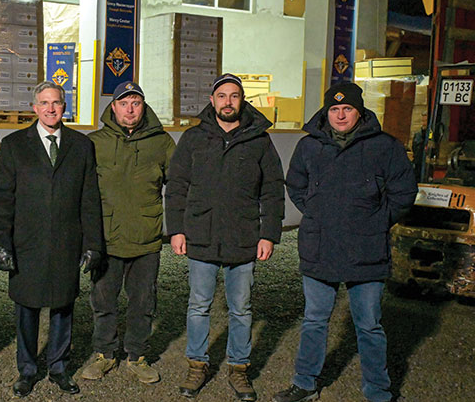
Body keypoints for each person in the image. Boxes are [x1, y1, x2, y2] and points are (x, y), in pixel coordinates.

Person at [274, 82, 417, 402]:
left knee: (368, 325)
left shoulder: (385, 147)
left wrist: (378, 220)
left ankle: (378, 390)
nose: (340, 115)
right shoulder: (309, 147)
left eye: (347, 108)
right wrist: (316, 211)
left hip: (366, 249)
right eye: (334, 109)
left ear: (360, 111)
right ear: (326, 111)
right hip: (320, 247)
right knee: (314, 321)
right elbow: (295, 184)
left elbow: (404, 190)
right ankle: (305, 382)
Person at [165, 73, 285, 401]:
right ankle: (197, 363)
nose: (228, 102)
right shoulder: (193, 139)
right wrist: (176, 228)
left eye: (234, 96)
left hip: (244, 236)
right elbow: (176, 186)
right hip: (201, 234)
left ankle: (239, 367)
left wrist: (269, 234)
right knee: (198, 305)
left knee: (241, 308)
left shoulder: (258, 140)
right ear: (212, 99)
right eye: (222, 96)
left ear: (241, 100)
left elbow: (273, 190)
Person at [0, 81, 103, 398]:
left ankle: (59, 367)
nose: (51, 109)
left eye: (57, 103)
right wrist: (0, 243)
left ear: (64, 108)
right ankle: (26, 370)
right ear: (34, 108)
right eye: (44, 103)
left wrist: (93, 243)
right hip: (27, 243)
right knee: (26, 308)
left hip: (67, 240)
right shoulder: (13, 145)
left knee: (63, 306)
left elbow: (89, 199)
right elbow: (2, 200)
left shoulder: (81, 146)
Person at [81, 81, 175, 384]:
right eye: (124, 103)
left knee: (143, 302)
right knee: (103, 301)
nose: (130, 109)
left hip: (146, 238)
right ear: (113, 107)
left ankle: (137, 354)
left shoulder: (161, 143)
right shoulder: (94, 142)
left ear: (143, 106)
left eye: (135, 102)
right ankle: (105, 353)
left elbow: (180, 185)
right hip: (106, 239)